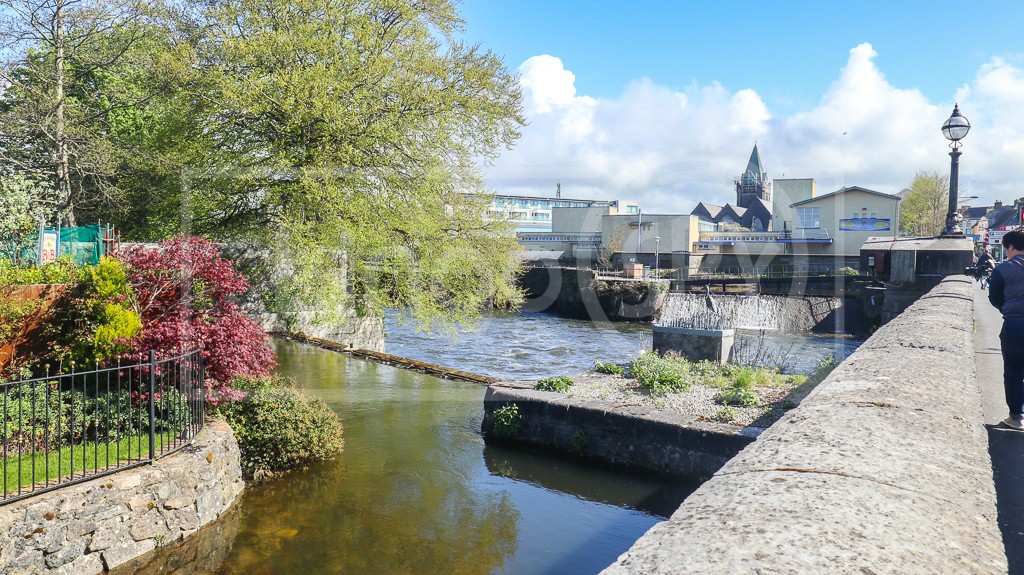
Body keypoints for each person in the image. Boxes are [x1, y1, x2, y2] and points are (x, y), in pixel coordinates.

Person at [988, 229, 1024, 430]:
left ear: (1010, 247)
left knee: (1014, 371)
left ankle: (1017, 417)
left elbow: (994, 298)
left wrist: (1007, 309)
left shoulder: (1003, 269)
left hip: (1016, 325)